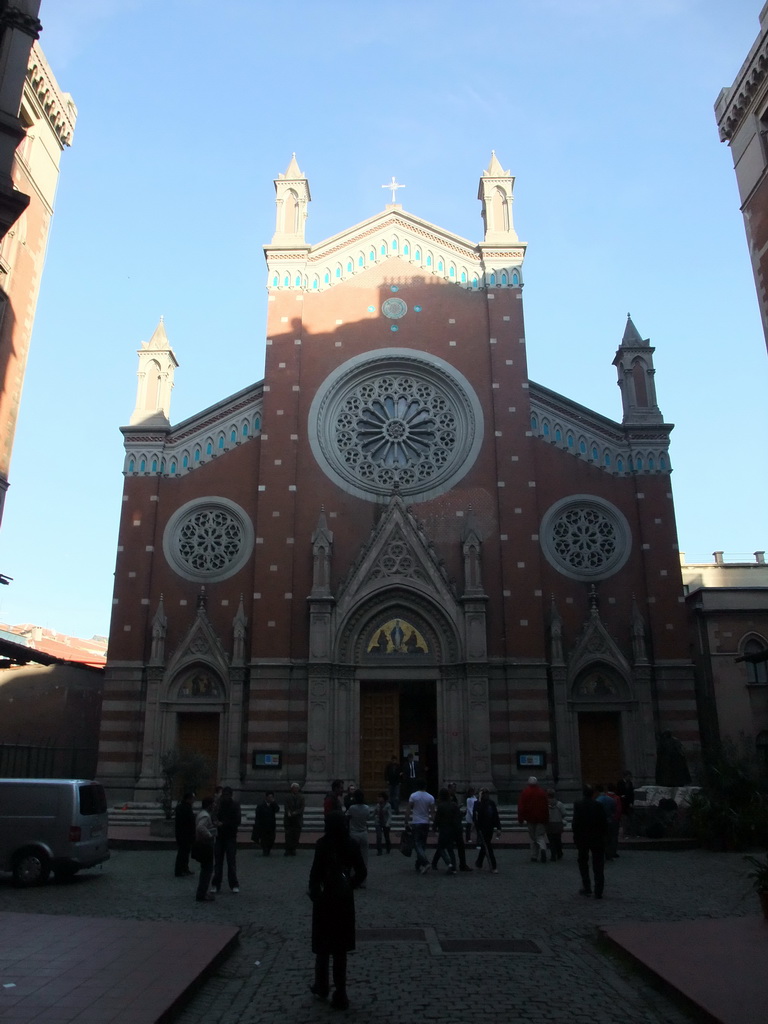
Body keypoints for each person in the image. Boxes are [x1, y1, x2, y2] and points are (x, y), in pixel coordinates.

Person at [308, 810, 367, 1011]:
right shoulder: (351, 844)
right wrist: (350, 884)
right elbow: (362, 871)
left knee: (323, 947)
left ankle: (321, 985)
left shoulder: (322, 845)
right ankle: (340, 992)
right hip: (343, 902)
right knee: (340, 950)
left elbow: (315, 874)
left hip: (325, 901)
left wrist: (315, 893)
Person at [572, 784, 608, 898]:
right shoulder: (598, 805)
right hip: (597, 838)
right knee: (598, 864)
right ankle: (598, 890)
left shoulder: (578, 805)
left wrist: (576, 836)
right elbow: (604, 822)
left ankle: (587, 887)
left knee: (583, 862)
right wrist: (604, 835)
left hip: (582, 838)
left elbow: (575, 822)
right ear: (593, 794)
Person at [212, 786, 241, 892]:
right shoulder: (218, 805)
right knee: (218, 862)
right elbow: (213, 815)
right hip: (220, 836)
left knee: (231, 862)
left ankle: (234, 884)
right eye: (224, 795)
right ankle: (216, 884)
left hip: (230, 836)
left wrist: (223, 824)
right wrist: (215, 822)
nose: (225, 797)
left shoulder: (235, 805)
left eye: (227, 795)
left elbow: (237, 820)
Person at [405, 777, 435, 874]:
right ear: (425, 786)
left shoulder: (413, 796)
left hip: (416, 822)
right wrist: (434, 822)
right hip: (425, 822)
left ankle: (425, 863)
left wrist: (406, 821)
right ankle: (418, 863)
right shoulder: (430, 797)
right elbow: (432, 812)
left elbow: (409, 809)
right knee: (422, 844)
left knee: (417, 844)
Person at [517, 776, 550, 863]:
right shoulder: (542, 792)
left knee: (532, 837)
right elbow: (546, 806)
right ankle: (542, 848)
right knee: (540, 835)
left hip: (530, 818)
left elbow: (521, 806)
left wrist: (520, 819)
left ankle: (534, 856)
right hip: (541, 818)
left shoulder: (525, 792)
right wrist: (547, 818)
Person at [431, 787, 462, 873]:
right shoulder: (454, 805)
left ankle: (449, 863)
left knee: (441, 848)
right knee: (450, 848)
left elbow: (437, 819)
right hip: (452, 830)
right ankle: (453, 867)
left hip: (444, 830)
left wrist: (434, 827)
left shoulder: (441, 806)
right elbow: (458, 818)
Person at [193, 796, 216, 902]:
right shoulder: (206, 816)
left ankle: (202, 892)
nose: (215, 805)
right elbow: (200, 827)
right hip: (205, 845)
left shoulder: (202, 814)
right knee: (207, 870)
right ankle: (202, 893)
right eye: (213, 803)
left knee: (205, 870)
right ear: (209, 805)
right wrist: (209, 835)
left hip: (203, 844)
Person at [473, 787, 502, 872]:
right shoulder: (477, 804)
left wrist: (498, 828)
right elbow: (475, 817)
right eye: (484, 793)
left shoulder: (491, 803)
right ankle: (493, 866)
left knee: (484, 845)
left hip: (490, 828)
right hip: (482, 829)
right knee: (488, 846)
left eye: (487, 793)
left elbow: (495, 816)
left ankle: (479, 862)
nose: (486, 795)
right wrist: (477, 828)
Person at [447, 782, 472, 871]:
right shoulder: (447, 799)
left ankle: (462, 864)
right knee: (444, 845)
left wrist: (461, 813)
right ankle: (435, 862)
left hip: (457, 825)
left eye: (455, 788)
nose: (455, 790)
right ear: (449, 789)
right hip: (451, 826)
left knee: (460, 846)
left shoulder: (454, 797)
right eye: (453, 788)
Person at [345, 789, 371, 867]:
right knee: (364, 856)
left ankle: (354, 873)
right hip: (364, 833)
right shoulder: (366, 808)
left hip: (354, 833)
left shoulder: (352, 808)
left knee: (353, 855)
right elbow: (368, 818)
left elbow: (346, 816)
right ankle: (364, 872)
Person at [595, 784, 621, 860]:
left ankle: (603, 853)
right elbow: (614, 809)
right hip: (610, 820)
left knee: (603, 838)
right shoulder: (611, 799)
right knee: (611, 837)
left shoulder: (598, 800)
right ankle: (610, 853)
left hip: (601, 822)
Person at [174, 791, 196, 877]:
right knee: (183, 853)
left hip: (182, 833)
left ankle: (184, 868)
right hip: (185, 834)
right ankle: (180, 870)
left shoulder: (182, 807)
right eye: (192, 799)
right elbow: (188, 822)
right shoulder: (185, 808)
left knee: (184, 853)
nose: (193, 801)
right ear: (188, 799)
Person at [252, 791, 279, 855]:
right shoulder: (261, 806)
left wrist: (274, 802)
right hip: (263, 826)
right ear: (266, 797)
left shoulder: (273, 805)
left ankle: (268, 849)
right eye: (269, 797)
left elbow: (277, 809)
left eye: (272, 797)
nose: (270, 798)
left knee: (271, 839)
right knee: (264, 839)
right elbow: (258, 816)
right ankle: (265, 850)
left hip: (271, 825)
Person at [283, 782, 305, 856]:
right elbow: (286, 806)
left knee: (296, 835)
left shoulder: (301, 797)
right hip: (289, 819)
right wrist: (288, 812)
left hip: (297, 819)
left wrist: (296, 812)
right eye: (295, 788)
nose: (296, 789)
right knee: (288, 835)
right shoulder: (287, 797)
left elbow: (302, 808)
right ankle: (287, 849)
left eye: (297, 788)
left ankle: (293, 849)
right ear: (292, 789)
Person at [546, 788, 566, 861]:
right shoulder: (559, 804)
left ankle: (553, 855)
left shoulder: (545, 804)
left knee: (551, 840)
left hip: (549, 824)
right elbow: (564, 813)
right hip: (558, 823)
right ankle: (559, 852)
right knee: (558, 839)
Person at [617, 770, 635, 837]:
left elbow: (632, 793)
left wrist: (632, 802)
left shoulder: (630, 783)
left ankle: (630, 831)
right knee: (624, 818)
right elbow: (618, 792)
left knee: (630, 817)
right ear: (625, 776)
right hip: (623, 802)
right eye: (629, 776)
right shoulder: (620, 783)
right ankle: (625, 831)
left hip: (629, 802)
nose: (630, 778)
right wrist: (622, 796)